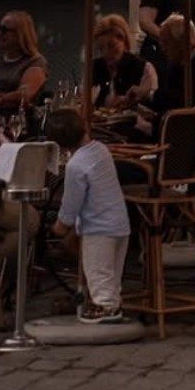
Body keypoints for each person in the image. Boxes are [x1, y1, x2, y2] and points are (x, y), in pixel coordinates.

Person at [45, 106, 131, 324]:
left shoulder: (75, 166)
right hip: (120, 223)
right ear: (84, 126)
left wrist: (61, 226)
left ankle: (107, 308)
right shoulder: (101, 149)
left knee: (98, 271)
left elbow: (71, 203)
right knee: (112, 272)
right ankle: (113, 300)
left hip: (98, 229)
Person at [137, 15, 195, 133]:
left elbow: (187, 103)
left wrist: (153, 118)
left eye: (166, 44)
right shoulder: (178, 60)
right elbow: (170, 95)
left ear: (183, 43)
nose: (163, 49)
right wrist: (148, 98)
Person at [0, 11, 47, 113]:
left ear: (21, 34)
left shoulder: (35, 62)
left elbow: (24, 95)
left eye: (4, 30)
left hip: (14, 121)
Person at [91, 15, 157, 110]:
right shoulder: (95, 68)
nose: (106, 52)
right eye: (101, 48)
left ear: (125, 43)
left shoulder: (144, 68)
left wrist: (133, 101)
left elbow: (152, 107)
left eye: (111, 45)